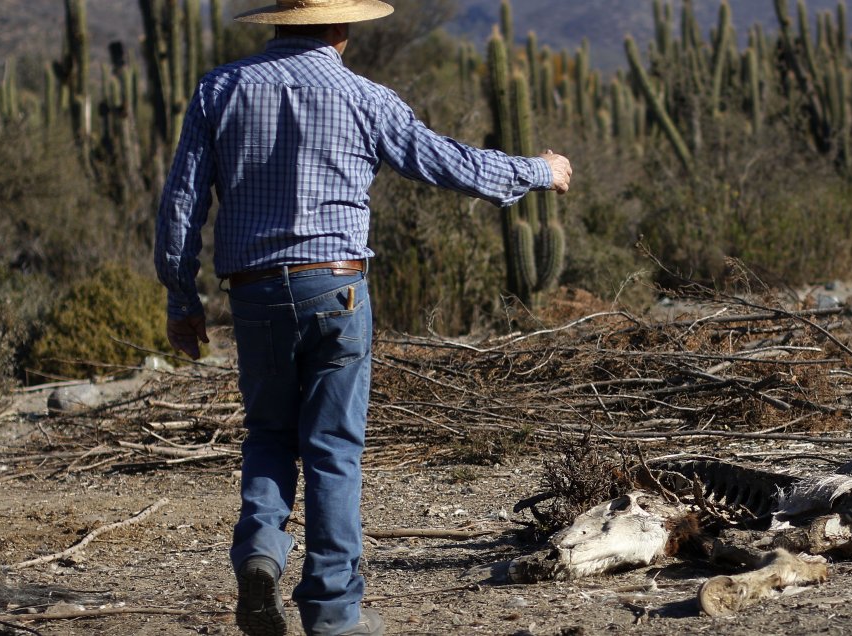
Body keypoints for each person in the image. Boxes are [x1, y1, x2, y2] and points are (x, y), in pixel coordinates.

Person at [153, 1, 573, 634]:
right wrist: (538, 170)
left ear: (276, 21)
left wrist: (182, 300)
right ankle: (331, 613)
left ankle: (261, 554)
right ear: (342, 28)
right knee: (333, 451)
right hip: (338, 290)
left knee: (269, 432)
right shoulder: (365, 97)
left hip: (255, 292)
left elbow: (182, 204)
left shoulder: (221, 89)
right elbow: (449, 164)